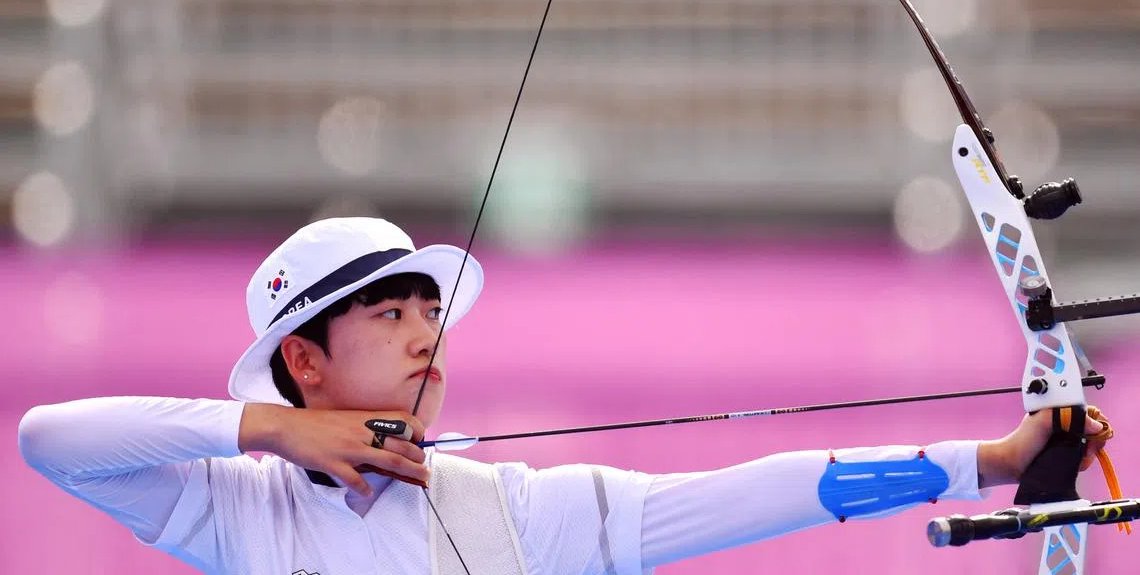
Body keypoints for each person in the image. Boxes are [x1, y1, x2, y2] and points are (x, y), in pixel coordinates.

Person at [18, 217, 1111, 575]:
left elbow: (760, 490)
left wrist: (995, 462)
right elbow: (49, 437)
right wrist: (275, 429)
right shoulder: (237, 507)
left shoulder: (513, 510)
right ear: (305, 361)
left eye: (427, 311)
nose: (427, 335)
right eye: (388, 315)